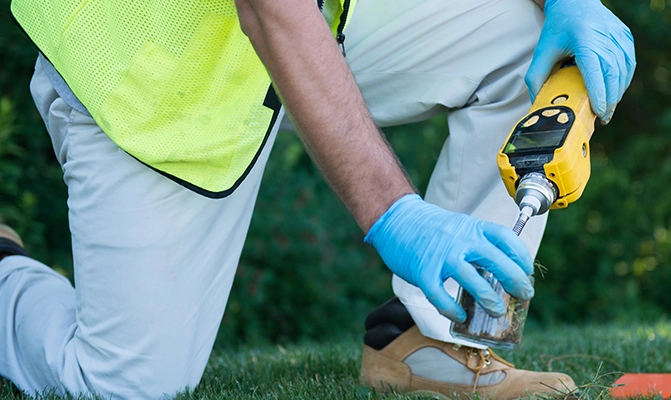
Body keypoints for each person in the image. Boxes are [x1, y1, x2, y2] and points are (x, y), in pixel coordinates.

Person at [0, 0, 635, 398]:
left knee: (529, 39)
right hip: (154, 59)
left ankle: (426, 338)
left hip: (318, 20)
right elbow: (270, 9)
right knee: (126, 388)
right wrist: (396, 213)